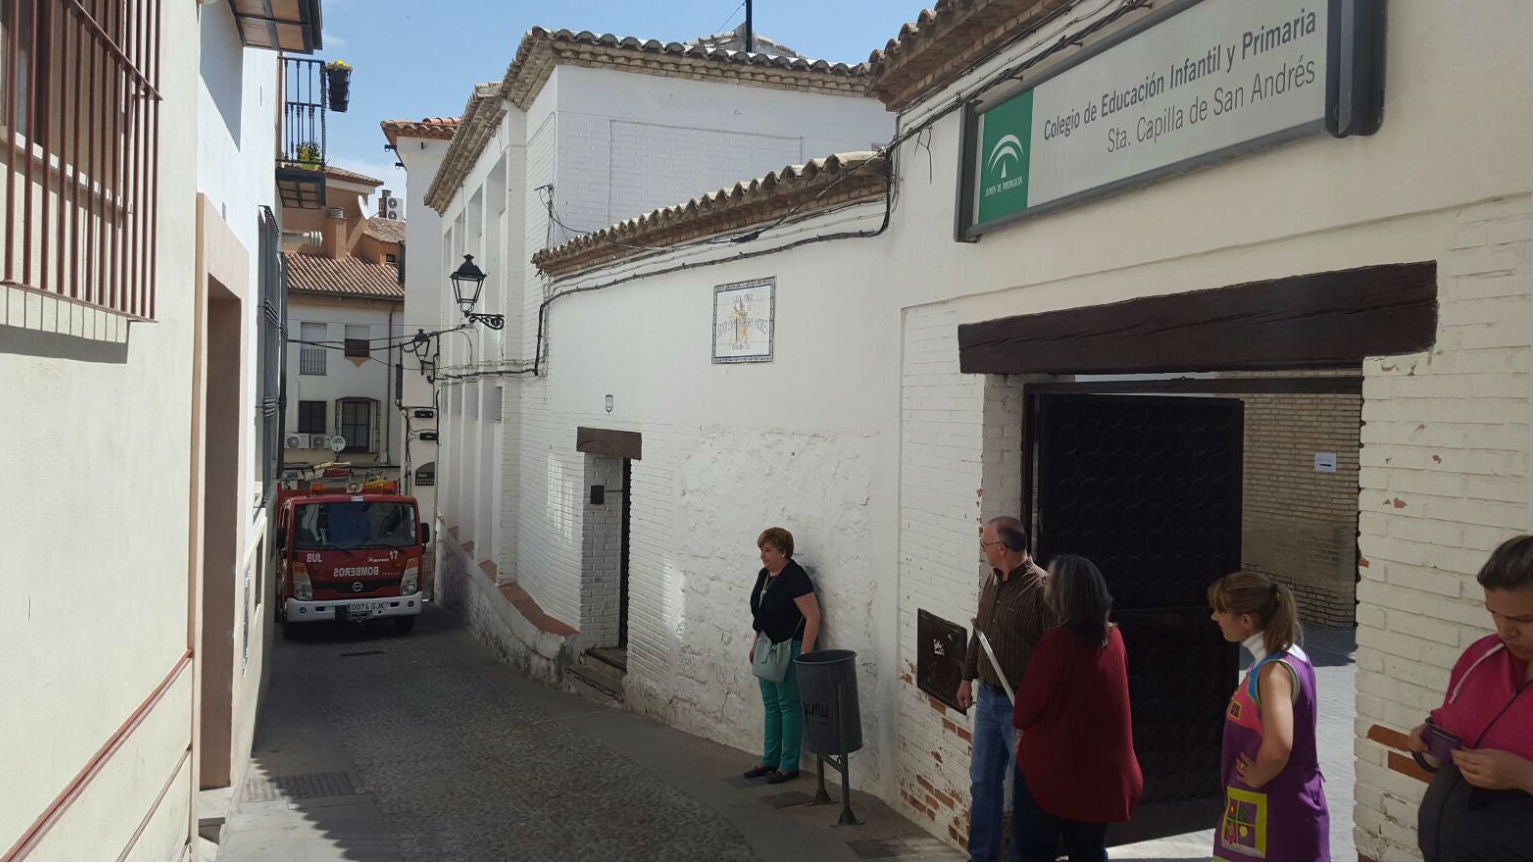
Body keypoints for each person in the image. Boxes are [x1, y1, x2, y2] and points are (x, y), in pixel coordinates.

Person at [1409, 534, 1533, 860]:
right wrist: (1429, 743)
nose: (1505, 631)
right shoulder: (1482, 655)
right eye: (1494, 613)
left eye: (1524, 620)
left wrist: (1523, 776)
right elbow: (1450, 727)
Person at [1012, 554, 1142, 861]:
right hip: (1100, 773)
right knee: (1090, 852)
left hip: (1055, 771)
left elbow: (1024, 712)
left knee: (1034, 852)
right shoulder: (1114, 639)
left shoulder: (1057, 644)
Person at [1207, 571, 1329, 862]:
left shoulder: (1273, 672)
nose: (1214, 618)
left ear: (1246, 620)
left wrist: (1257, 775)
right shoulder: (1288, 656)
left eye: (1220, 611)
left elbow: (1279, 746)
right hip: (1266, 810)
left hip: (1275, 813)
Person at [958, 516, 1055, 861]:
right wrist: (966, 676)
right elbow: (980, 632)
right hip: (987, 698)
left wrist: (1039, 711)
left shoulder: (1042, 589)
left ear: (1002, 549)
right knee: (983, 782)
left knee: (1029, 787)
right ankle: (981, 855)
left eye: (985, 545)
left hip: (1020, 705)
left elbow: (1053, 655)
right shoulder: (992, 581)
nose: (983, 551)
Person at [743, 527, 821, 785]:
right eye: (762, 550)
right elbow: (761, 614)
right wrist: (756, 643)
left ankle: (789, 764)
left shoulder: (795, 578)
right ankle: (769, 759)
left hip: (791, 647)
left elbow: (813, 617)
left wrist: (805, 655)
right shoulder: (765, 576)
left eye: (768, 551)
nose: (763, 556)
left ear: (783, 551)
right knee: (772, 704)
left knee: (789, 705)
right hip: (768, 645)